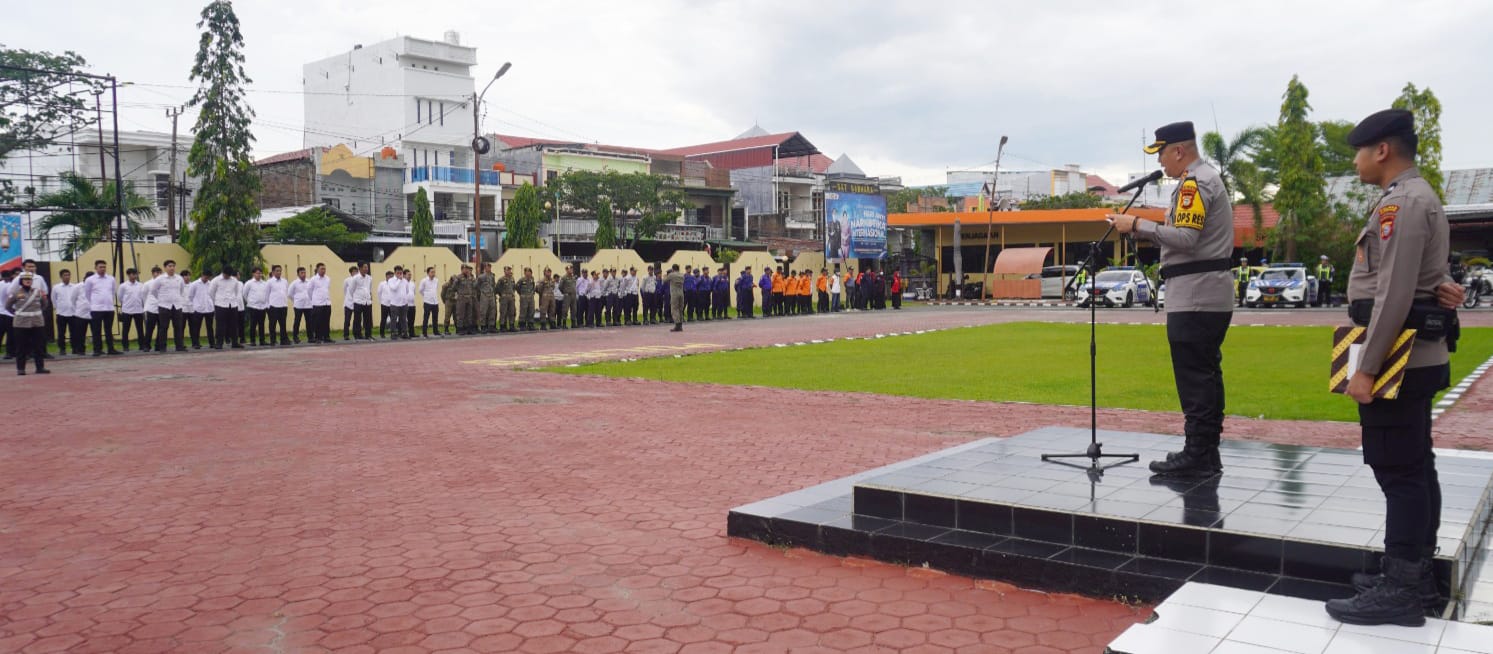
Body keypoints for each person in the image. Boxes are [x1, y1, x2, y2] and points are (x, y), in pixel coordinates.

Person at [1324, 109, 1465, 627]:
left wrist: (1368, 367)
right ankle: (1414, 575)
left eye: (1360, 151)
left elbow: (1394, 292)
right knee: (1414, 466)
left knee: (1398, 471)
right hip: (1414, 352)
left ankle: (1402, 589)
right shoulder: (1412, 197)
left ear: (1382, 150)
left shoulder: (1402, 202)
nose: (1357, 161)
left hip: (1399, 357)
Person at [1110, 121, 1235, 478]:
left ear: (1179, 151)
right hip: (1205, 293)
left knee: (1195, 378)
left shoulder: (1195, 184)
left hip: (1195, 296)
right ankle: (1206, 453)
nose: (1161, 162)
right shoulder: (1202, 180)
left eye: (1162, 153)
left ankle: (1198, 453)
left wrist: (1136, 226)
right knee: (1206, 374)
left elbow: (1185, 238)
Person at [7, 273, 50, 375]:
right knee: (21, 347)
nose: (28, 281)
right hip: (21, 323)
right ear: (21, 281)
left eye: (29, 279)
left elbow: (44, 304)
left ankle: (40, 367)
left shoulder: (38, 292)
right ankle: (21, 369)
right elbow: (8, 306)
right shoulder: (15, 293)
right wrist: (17, 314)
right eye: (25, 279)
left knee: (38, 347)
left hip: (37, 322)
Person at [82, 260, 122, 356]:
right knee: (96, 330)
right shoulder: (90, 280)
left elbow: (112, 292)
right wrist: (94, 304)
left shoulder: (111, 279)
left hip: (109, 308)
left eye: (104, 267)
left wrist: (109, 302)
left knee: (108, 330)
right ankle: (97, 349)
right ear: (95, 268)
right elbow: (87, 294)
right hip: (96, 309)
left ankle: (110, 349)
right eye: (100, 267)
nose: (103, 269)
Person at [150, 259, 188, 353]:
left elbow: (181, 290)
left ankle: (179, 346)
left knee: (178, 326)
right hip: (164, 306)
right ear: (165, 268)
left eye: (173, 266)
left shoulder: (179, 278)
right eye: (169, 266)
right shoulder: (160, 279)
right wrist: (161, 299)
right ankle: (162, 347)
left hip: (177, 306)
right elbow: (153, 291)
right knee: (163, 327)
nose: (172, 268)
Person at [210, 266, 245, 349]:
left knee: (234, 324)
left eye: (229, 275)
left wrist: (234, 300)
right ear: (223, 272)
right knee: (220, 325)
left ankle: (235, 342)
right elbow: (211, 293)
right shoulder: (216, 280)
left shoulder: (234, 280)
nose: (227, 276)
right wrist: (217, 301)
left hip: (232, 304)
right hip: (220, 305)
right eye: (226, 275)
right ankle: (219, 343)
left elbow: (236, 292)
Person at [117, 268, 146, 351]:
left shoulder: (141, 285)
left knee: (140, 329)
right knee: (125, 329)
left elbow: (143, 297)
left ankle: (142, 345)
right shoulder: (123, 286)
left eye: (135, 274)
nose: (134, 276)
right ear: (128, 275)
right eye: (132, 274)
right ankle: (125, 346)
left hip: (138, 310)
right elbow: (120, 297)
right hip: (127, 310)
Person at [52, 269, 80, 355]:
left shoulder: (75, 286)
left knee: (74, 332)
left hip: (73, 313)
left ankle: (74, 348)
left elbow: (76, 298)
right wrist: (58, 309)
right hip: (61, 313)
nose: (67, 277)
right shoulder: (56, 287)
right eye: (65, 275)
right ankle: (62, 349)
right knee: (61, 333)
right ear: (61, 277)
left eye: (68, 275)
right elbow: (53, 299)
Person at [187, 270, 215, 348]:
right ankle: (196, 343)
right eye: (206, 277)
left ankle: (212, 343)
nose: (207, 279)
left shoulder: (211, 284)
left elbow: (213, 295)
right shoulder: (195, 284)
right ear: (202, 275)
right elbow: (190, 296)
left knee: (210, 327)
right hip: (198, 309)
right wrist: (195, 306)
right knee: (196, 327)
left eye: (208, 277)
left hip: (209, 308)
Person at [243, 267, 270, 346]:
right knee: (253, 324)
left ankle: (262, 340)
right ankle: (252, 341)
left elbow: (266, 294)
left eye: (260, 273)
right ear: (253, 274)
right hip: (253, 306)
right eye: (257, 273)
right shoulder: (249, 283)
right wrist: (250, 302)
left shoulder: (264, 283)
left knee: (261, 324)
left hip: (262, 306)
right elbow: (244, 294)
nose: (259, 275)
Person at [266, 265, 290, 346]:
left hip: (283, 305)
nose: (279, 272)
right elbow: (266, 294)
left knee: (283, 324)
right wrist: (268, 305)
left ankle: (283, 340)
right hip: (273, 306)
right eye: (277, 271)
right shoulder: (269, 282)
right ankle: (273, 340)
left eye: (280, 271)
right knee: (272, 324)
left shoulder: (285, 281)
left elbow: (286, 292)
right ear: (273, 272)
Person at [309, 263, 333, 343]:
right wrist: (313, 299)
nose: (323, 270)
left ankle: (326, 337)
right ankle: (318, 337)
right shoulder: (313, 279)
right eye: (321, 269)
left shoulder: (328, 279)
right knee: (317, 322)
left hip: (326, 303)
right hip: (317, 304)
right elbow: (309, 291)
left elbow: (327, 289)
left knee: (326, 321)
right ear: (317, 269)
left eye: (324, 269)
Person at [287, 266, 311, 344]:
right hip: (298, 305)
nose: (303, 274)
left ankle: (310, 337)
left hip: (308, 305)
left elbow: (311, 291)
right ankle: (295, 337)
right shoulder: (294, 283)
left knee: (309, 322)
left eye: (304, 272)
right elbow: (290, 294)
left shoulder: (309, 282)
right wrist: (296, 300)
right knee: (297, 321)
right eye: (302, 273)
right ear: (298, 274)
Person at [454, 264, 477, 334]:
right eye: (465, 269)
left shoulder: (470, 278)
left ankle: (468, 328)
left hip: (469, 298)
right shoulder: (458, 277)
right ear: (462, 270)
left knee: (469, 314)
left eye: (467, 269)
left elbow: (474, 286)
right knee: (461, 314)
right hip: (462, 298)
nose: (466, 270)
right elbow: (454, 287)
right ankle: (460, 329)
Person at [419, 267, 441, 337]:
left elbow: (435, 289)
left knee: (435, 317)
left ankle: (435, 331)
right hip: (427, 302)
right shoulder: (424, 280)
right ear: (428, 273)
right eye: (432, 272)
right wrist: (426, 296)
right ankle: (424, 332)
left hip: (435, 302)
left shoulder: (436, 280)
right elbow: (420, 290)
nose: (433, 273)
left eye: (434, 272)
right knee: (426, 318)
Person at [476, 263, 497, 333]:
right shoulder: (481, 277)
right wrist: (481, 292)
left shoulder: (492, 276)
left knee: (492, 311)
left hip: (491, 295)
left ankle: (491, 326)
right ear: (485, 268)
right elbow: (476, 286)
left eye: (490, 267)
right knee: (483, 311)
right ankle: (483, 326)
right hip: (484, 295)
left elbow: (493, 285)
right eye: (487, 267)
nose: (489, 268)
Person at [497, 266, 518, 332]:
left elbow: (514, 287)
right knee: (503, 312)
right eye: (507, 270)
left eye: (509, 270)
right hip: (504, 297)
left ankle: (512, 325)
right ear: (504, 271)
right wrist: (502, 294)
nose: (509, 272)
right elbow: (497, 288)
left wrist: (512, 294)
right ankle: (503, 326)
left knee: (512, 312)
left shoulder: (512, 279)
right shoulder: (501, 279)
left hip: (511, 298)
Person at [666, 264, 685, 332]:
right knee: (680, 309)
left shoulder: (672, 275)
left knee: (674, 309)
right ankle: (680, 325)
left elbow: (664, 280)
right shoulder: (682, 275)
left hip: (674, 294)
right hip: (681, 293)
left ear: (673, 269)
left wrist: (667, 274)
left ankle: (677, 325)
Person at [440, 269, 459, 335]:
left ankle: (457, 329)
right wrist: (445, 301)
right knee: (447, 316)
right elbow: (442, 294)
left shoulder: (457, 285)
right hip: (449, 301)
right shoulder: (446, 285)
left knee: (456, 316)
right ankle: (446, 329)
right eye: (453, 280)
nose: (455, 282)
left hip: (455, 301)